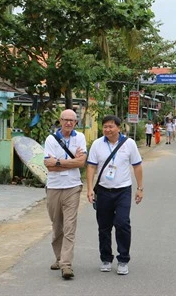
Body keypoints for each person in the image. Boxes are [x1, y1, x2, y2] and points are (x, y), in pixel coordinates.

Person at [86, 115, 144, 276]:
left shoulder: (129, 144)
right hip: (103, 191)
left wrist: (140, 188)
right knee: (104, 227)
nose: (107, 129)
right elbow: (91, 167)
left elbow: (137, 166)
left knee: (122, 223)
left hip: (123, 190)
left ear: (119, 127)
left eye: (111, 126)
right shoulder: (97, 145)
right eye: (105, 126)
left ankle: (123, 259)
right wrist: (90, 188)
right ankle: (106, 258)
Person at [43, 109, 88, 280]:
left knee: (69, 226)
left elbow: (81, 162)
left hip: (73, 187)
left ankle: (66, 264)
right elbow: (49, 165)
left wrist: (59, 161)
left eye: (72, 120)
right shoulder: (50, 139)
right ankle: (59, 257)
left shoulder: (80, 138)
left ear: (76, 123)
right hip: (54, 187)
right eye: (66, 120)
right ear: (60, 121)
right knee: (57, 225)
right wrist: (71, 162)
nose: (69, 123)